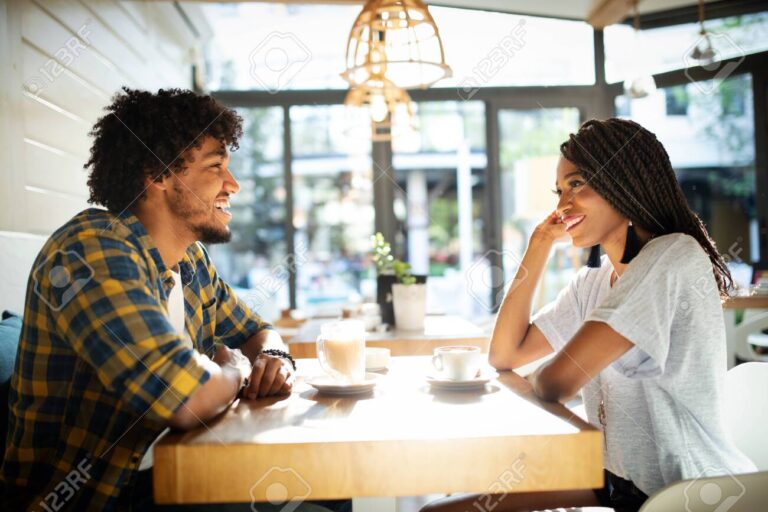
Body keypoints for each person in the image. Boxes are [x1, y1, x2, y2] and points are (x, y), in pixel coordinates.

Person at [1, 88, 346, 512]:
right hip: (102, 497)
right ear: (158, 173)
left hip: (175, 469)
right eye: (216, 165)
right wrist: (236, 369)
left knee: (331, 477)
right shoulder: (91, 252)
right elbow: (185, 399)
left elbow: (255, 328)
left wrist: (273, 356)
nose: (233, 184)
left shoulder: (190, 261)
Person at [422, 118, 756, 512]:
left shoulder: (675, 256)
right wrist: (540, 242)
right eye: (559, 191)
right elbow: (505, 355)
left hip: (683, 494)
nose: (563, 205)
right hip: (614, 482)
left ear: (623, 182)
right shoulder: (593, 282)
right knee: (439, 510)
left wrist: (559, 399)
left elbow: (555, 382)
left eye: (577, 185)